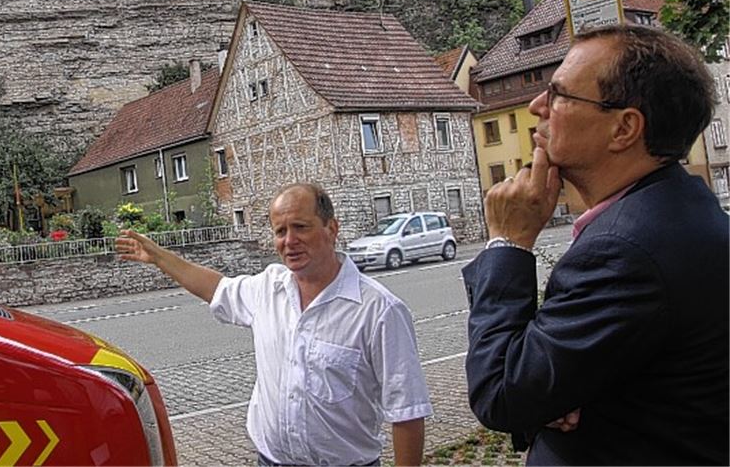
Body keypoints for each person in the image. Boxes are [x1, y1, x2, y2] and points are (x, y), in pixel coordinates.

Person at [463, 23, 729, 465]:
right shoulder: (679, 212)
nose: (536, 106)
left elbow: (503, 392)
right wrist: (558, 392)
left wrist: (507, 243)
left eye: (559, 95)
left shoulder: (625, 251)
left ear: (624, 128)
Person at [116, 183, 432, 466]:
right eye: (280, 231)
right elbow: (215, 288)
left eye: (300, 227)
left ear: (331, 228)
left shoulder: (379, 310)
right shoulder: (268, 289)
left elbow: (407, 411)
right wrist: (159, 257)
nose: (289, 241)